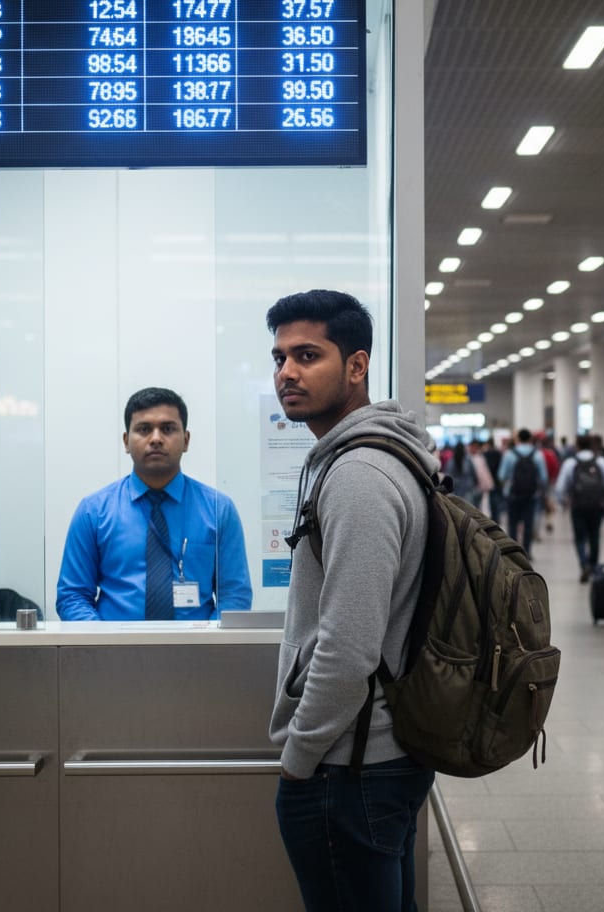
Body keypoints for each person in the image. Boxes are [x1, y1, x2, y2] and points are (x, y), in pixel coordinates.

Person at [266, 289, 436, 912]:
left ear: (357, 365)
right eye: (279, 357)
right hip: (379, 755)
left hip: (350, 763)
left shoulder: (360, 476)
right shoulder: (373, 459)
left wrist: (300, 758)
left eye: (307, 355)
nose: (287, 372)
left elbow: (348, 644)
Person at [56, 387, 252, 621]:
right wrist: (105, 645)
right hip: (113, 651)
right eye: (144, 429)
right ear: (126, 441)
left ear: (186, 440)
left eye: (168, 429)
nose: (156, 438)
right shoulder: (93, 511)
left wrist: (204, 648)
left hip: (197, 652)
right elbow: (73, 596)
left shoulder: (218, 510)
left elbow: (234, 596)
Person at [555, 434, 604, 582]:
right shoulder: (601, 461)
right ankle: (594, 566)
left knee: (580, 537)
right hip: (597, 506)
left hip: (578, 506)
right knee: (595, 536)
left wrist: (564, 502)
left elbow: (560, 487)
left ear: (577, 445)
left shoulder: (570, 463)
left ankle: (584, 564)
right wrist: (603, 497)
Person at [498, 428, 547, 556]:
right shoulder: (538, 454)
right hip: (531, 494)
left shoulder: (509, 454)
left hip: (512, 493)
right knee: (528, 523)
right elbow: (543, 478)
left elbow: (501, 475)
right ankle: (527, 551)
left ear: (517, 439)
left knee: (512, 523)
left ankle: (514, 553)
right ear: (530, 439)